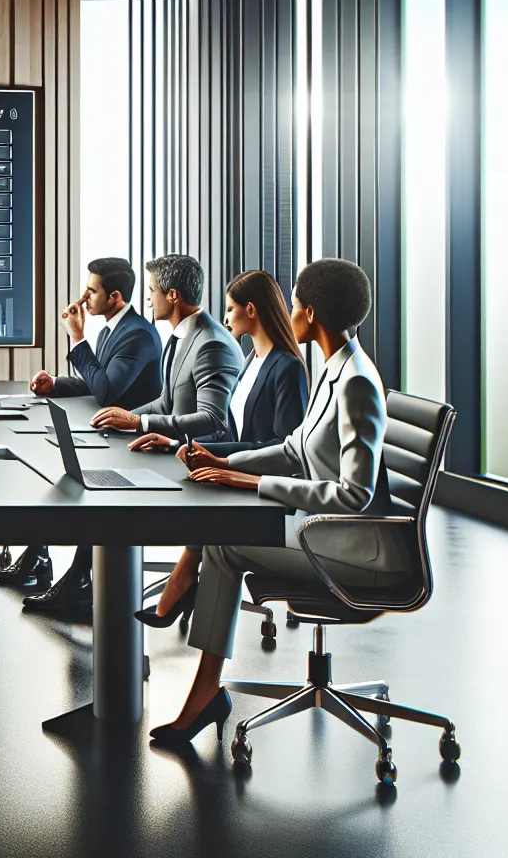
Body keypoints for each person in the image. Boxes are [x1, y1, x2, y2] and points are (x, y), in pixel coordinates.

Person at [149, 259, 407, 749]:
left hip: (361, 551)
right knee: (223, 537)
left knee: (223, 544)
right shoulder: (334, 367)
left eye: (294, 306)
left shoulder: (355, 381)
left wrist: (254, 483)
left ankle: (204, 694)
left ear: (310, 314)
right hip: (325, 530)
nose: (289, 314)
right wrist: (228, 461)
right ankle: (204, 692)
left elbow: (355, 495)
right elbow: (293, 447)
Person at [128, 269, 309, 629]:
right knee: (181, 486)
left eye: (230, 308)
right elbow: (231, 430)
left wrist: (223, 461)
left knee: (198, 511)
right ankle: (183, 585)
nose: (224, 318)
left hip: (266, 490)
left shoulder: (287, 368)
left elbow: (284, 449)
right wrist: (179, 444)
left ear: (251, 310)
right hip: (238, 473)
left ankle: (180, 585)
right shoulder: (251, 361)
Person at [0, 257, 165, 613]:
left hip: (133, 443)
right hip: (111, 436)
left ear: (115, 296)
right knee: (56, 470)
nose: (84, 297)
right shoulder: (111, 330)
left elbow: (106, 392)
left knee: (82, 483)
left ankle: (79, 580)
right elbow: (98, 382)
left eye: (91, 291)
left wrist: (77, 337)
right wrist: (56, 384)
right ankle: (39, 554)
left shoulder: (137, 334)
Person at [89, 254, 241, 445]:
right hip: (171, 447)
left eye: (152, 291)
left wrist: (140, 423)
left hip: (196, 456)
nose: (149, 300)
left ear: (172, 296)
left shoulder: (212, 345)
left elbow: (213, 420)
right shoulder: (180, 335)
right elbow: (166, 403)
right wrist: (120, 421)